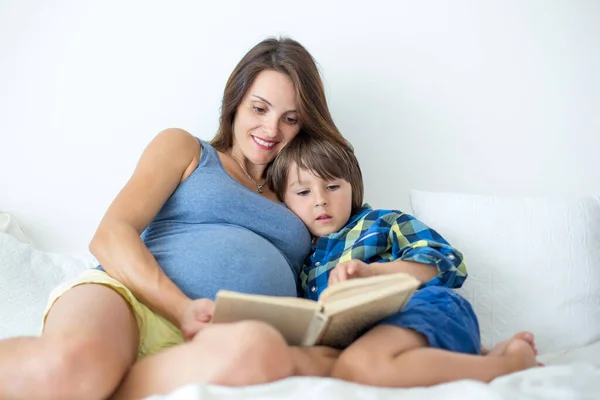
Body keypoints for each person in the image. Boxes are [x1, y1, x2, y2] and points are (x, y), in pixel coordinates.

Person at [0, 37, 345, 400]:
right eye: (259, 109)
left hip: (217, 343)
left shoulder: (305, 193)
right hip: (128, 299)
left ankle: (105, 384)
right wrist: (182, 308)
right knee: (72, 367)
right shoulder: (186, 149)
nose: (272, 130)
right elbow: (111, 235)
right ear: (235, 103)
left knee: (257, 350)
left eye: (289, 119)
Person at [266, 134, 540, 387]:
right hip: (379, 338)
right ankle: (484, 356)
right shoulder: (305, 266)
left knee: (361, 366)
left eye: (333, 186)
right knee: (333, 362)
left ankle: (513, 364)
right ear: (284, 203)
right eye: (303, 192)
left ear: (353, 187)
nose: (321, 201)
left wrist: (375, 273)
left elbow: (448, 262)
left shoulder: (381, 222)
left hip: (429, 306)